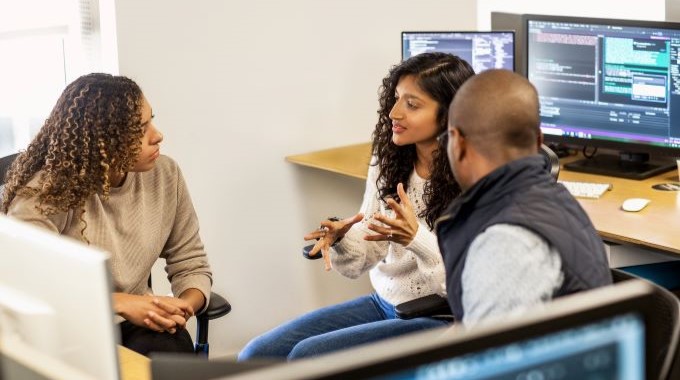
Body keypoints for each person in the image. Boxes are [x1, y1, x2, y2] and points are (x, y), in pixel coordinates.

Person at [238, 53, 475, 361]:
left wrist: (416, 238)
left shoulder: (472, 175)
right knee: (256, 355)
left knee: (307, 356)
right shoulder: (389, 160)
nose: (393, 112)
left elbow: (468, 283)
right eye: (396, 99)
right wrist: (342, 238)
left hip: (439, 316)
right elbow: (367, 252)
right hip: (386, 302)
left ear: (448, 115)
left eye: (411, 105)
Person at [1, 73, 212, 356]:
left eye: (152, 120)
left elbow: (190, 261)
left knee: (172, 355)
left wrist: (185, 304)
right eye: (140, 128)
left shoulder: (166, 174)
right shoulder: (45, 193)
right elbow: (31, 285)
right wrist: (120, 303)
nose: (158, 135)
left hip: (138, 320)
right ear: (100, 141)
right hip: (68, 322)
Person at [436, 69, 612, 325]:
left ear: (458, 143)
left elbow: (489, 361)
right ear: (539, 140)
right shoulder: (554, 198)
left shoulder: (506, 242)